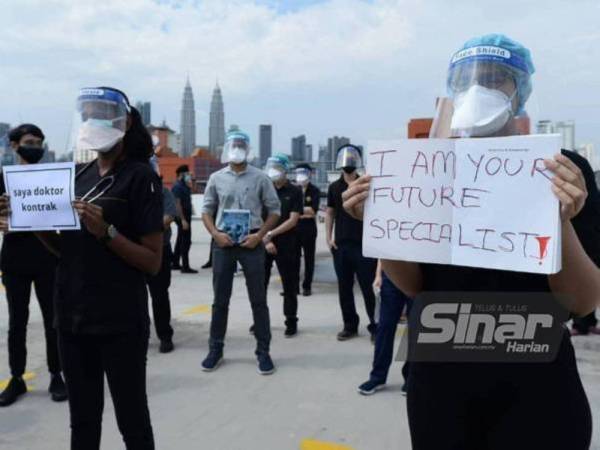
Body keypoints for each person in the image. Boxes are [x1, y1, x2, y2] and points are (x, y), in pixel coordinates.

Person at [342, 34, 597, 449]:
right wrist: (380, 224)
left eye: (497, 79)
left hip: (535, 369)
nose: (479, 89)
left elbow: (581, 302)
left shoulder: (562, 168)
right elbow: (415, 285)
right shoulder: (424, 166)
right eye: (467, 80)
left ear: (521, 89)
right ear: (451, 89)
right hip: (441, 370)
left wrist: (559, 219)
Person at [0, 87, 162, 449]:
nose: (95, 121)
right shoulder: (76, 174)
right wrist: (31, 223)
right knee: (82, 423)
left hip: (120, 320)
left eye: (103, 113)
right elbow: (64, 250)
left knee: (132, 420)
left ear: (125, 120)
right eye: (88, 115)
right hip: (72, 318)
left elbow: (152, 261)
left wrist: (107, 232)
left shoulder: (140, 178)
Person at [201, 129, 280, 374]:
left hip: (251, 242)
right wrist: (215, 234)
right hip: (223, 242)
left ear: (248, 149)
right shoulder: (216, 178)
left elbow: (274, 210)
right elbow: (206, 210)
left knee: (258, 299)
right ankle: (216, 349)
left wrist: (259, 235)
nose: (236, 149)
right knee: (220, 301)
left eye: (241, 145)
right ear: (226, 148)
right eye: (233, 144)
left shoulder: (260, 178)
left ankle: (263, 351)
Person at [0, 124, 68, 407]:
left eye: (39, 142)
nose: (35, 147)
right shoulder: (3, 180)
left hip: (47, 256)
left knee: (53, 320)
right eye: (29, 141)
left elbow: (63, 212)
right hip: (15, 258)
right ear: (14, 145)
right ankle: (16, 377)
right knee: (17, 322)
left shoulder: (53, 178)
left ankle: (56, 374)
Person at [326, 144, 377, 341]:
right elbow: (330, 212)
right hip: (341, 245)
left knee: (367, 287)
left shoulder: (365, 183)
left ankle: (375, 325)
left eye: (352, 158)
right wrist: (328, 238)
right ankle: (350, 325)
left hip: (363, 245)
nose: (348, 162)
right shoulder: (334, 187)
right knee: (344, 287)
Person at [357, 260, 412, 396]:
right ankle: (378, 377)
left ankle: (411, 377)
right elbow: (383, 247)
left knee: (416, 329)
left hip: (417, 275)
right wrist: (378, 275)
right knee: (385, 327)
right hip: (391, 275)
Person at [263, 154, 303, 337]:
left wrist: (272, 234)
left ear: (285, 170)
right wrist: (266, 239)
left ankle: (291, 321)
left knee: (289, 285)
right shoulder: (264, 189)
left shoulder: (294, 191)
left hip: (287, 243)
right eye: (271, 166)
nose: (273, 170)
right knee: (259, 285)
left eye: (277, 167)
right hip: (264, 242)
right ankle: (260, 321)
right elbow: (258, 217)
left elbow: (293, 220)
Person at [146, 156, 176, 353]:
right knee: (135, 295)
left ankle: (165, 336)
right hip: (132, 251)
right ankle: (140, 333)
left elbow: (168, 217)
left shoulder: (163, 192)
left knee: (159, 295)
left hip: (159, 249)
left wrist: (144, 229)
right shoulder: (129, 191)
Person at [294, 163, 321, 296]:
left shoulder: (314, 190)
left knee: (309, 258)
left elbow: (313, 211)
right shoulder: (293, 189)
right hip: (294, 227)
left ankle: (307, 286)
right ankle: (294, 286)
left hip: (309, 228)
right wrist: (303, 210)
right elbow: (288, 209)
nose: (301, 176)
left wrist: (297, 210)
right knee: (294, 258)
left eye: (304, 173)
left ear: (310, 174)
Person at [172, 164, 197, 273]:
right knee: (186, 241)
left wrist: (193, 180)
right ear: (181, 174)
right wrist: (183, 220)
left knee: (180, 239)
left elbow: (194, 191)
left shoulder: (184, 185)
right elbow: (177, 205)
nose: (188, 175)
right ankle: (185, 266)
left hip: (186, 214)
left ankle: (175, 263)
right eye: (186, 173)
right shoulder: (177, 186)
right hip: (182, 215)